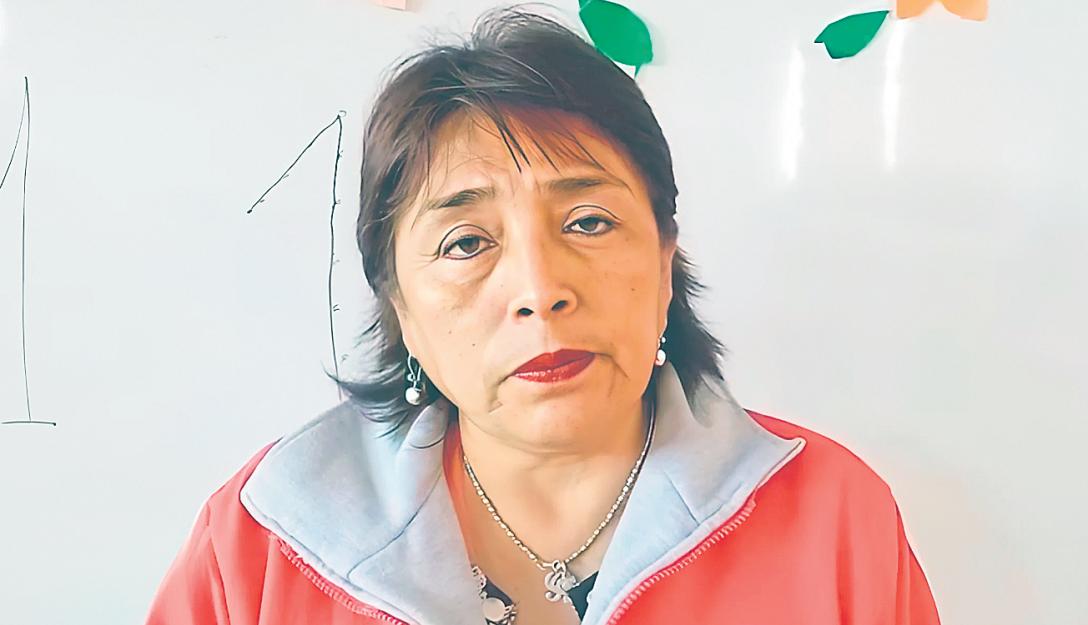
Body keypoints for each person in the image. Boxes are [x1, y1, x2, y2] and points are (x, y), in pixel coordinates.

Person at [145, 6, 941, 625]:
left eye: (589, 222)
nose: (539, 288)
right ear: (401, 308)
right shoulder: (262, 542)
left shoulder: (834, 517)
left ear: (665, 260)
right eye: (466, 242)